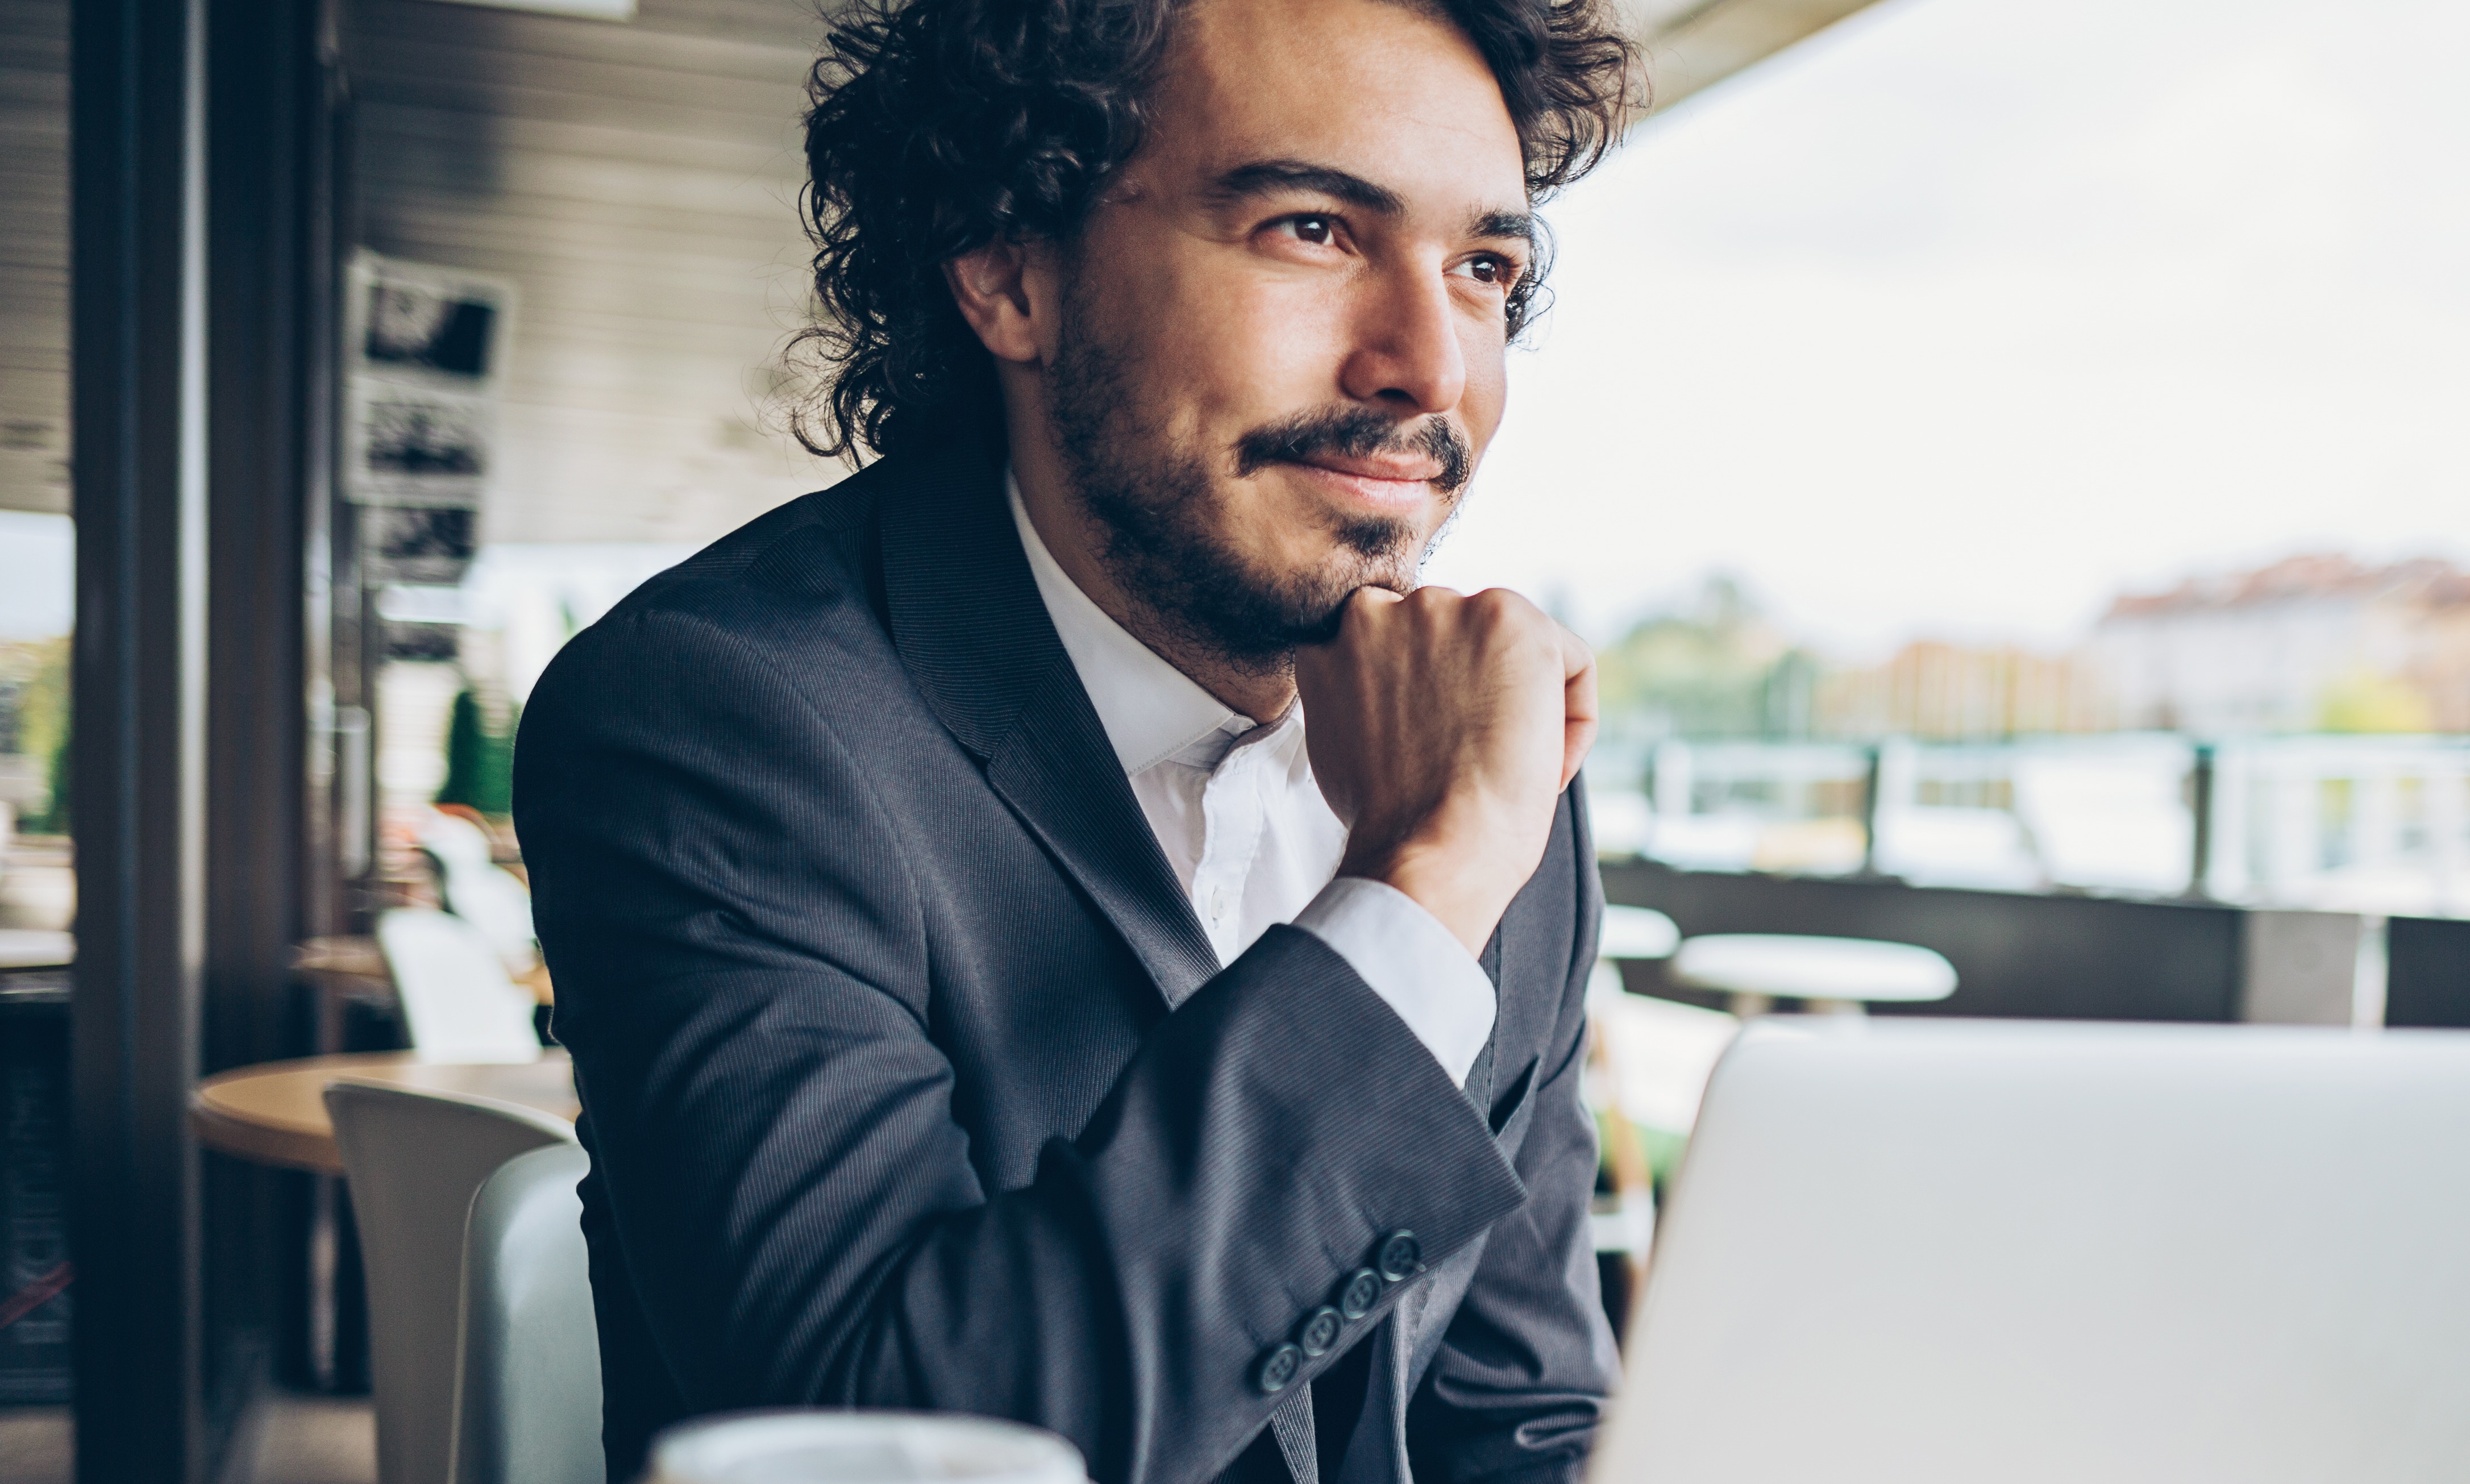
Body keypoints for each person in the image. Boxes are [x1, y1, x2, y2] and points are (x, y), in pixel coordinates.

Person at [512, 1, 1642, 1479]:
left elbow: (1520, 1416)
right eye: (1310, 229)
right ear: (1008, 267)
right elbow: (884, 1436)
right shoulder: (710, 720)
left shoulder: (1497, 780)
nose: (1430, 365)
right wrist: (1411, 901)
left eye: (1483, 268)